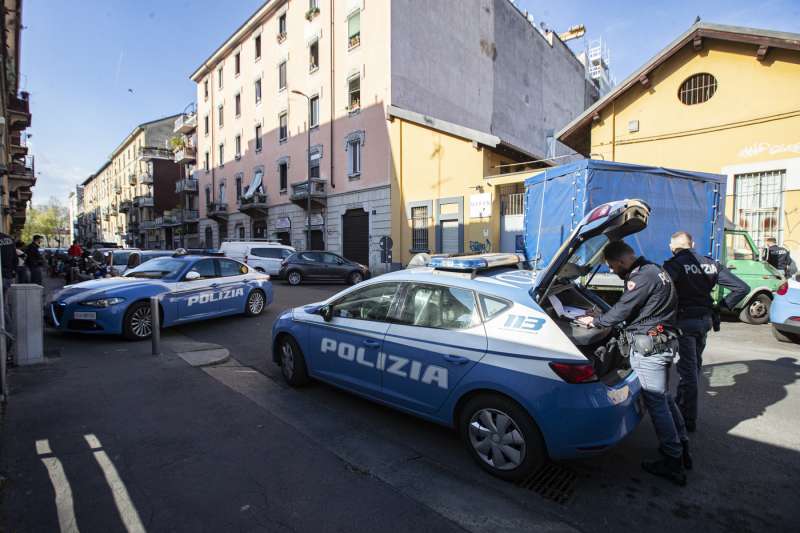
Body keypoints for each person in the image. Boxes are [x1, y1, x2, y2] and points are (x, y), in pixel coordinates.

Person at [577, 240, 689, 486]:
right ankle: (682, 445)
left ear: (622, 261)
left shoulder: (640, 278)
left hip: (651, 347)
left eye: (611, 266)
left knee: (657, 401)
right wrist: (606, 316)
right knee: (666, 397)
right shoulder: (655, 269)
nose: (611, 271)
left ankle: (673, 460)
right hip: (665, 342)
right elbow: (640, 309)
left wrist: (595, 322)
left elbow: (623, 310)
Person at [663, 231, 749, 433]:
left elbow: (661, 292)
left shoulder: (674, 265)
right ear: (692, 243)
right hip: (704, 321)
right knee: (694, 367)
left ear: (672, 247)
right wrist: (719, 307)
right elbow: (741, 288)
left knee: (688, 372)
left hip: (684, 323)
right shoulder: (711, 263)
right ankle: (682, 401)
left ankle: (687, 419)